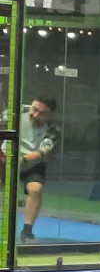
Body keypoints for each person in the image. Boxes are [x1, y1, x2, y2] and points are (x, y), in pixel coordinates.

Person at [11, 97, 60, 242]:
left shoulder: (54, 128)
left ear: (50, 115)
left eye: (42, 113)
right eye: (34, 109)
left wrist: (22, 160)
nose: (36, 115)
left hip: (33, 164)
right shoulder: (14, 113)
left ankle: (27, 231)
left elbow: (42, 152)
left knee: (35, 189)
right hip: (7, 158)